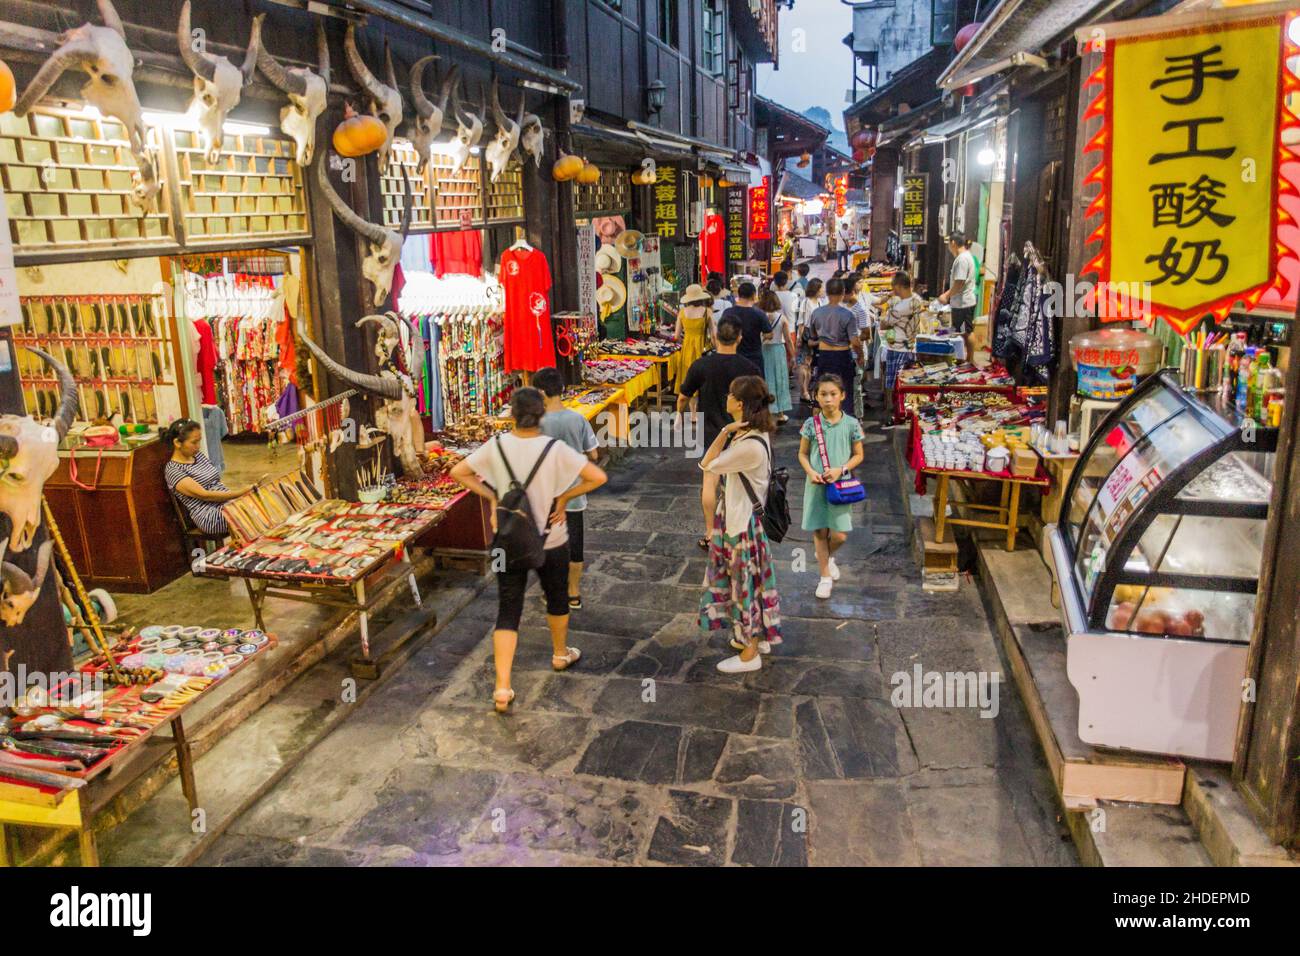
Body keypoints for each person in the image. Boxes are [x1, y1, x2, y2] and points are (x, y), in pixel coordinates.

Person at [450, 388, 608, 713]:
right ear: (541, 416)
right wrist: (564, 499)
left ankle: (502, 687)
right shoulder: (555, 449)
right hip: (551, 537)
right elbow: (597, 476)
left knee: (508, 608)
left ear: (512, 414)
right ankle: (560, 653)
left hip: (508, 540)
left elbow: (458, 472)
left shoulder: (495, 446)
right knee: (557, 597)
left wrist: (493, 497)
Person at [699, 375, 782, 673]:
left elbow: (707, 463)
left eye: (731, 394)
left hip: (742, 523)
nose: (726, 398)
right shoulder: (751, 436)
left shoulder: (748, 445)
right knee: (750, 585)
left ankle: (750, 653)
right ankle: (754, 638)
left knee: (744, 587)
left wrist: (723, 431)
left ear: (740, 403)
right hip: (741, 519)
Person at [677, 317, 761, 547]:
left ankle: (709, 533)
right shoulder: (749, 367)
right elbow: (760, 401)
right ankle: (740, 532)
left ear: (715, 337)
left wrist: (678, 415)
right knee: (742, 483)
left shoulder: (702, 365)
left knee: (710, 480)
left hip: (711, 431)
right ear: (739, 338)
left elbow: (684, 395)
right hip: (742, 432)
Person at [533, 367, 601, 610]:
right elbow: (593, 454)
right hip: (574, 495)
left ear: (540, 392)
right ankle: (573, 593)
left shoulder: (535, 423)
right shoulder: (578, 419)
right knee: (575, 546)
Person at [798, 374, 865, 600]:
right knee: (819, 529)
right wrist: (810, 472)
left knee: (839, 535)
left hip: (840, 484)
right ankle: (825, 576)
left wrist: (841, 469)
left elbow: (858, 455)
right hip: (815, 484)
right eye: (823, 394)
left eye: (833, 394)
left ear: (842, 396)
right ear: (816, 397)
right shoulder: (811, 424)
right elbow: (803, 454)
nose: (828, 399)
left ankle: (825, 555)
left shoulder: (851, 424)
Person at [163, 418, 253, 536]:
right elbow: (205, 495)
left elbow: (216, 481)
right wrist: (239, 493)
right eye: (194, 442)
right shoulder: (173, 470)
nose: (198, 446)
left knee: (258, 503)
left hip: (225, 503)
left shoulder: (198, 456)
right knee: (248, 512)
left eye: (199, 441)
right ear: (177, 443)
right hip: (209, 515)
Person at [874, 272, 926, 412]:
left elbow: (884, 325)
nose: (892, 290)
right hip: (911, 346)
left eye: (893, 286)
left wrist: (888, 307)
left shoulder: (899, 308)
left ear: (898, 286)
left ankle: (892, 411)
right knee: (908, 380)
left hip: (897, 347)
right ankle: (905, 410)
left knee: (892, 381)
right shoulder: (917, 299)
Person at [808, 277, 858, 403]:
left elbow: (813, 335)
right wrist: (861, 355)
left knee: (825, 391)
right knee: (844, 391)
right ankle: (844, 420)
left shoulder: (816, 313)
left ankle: (825, 419)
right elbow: (855, 341)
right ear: (843, 293)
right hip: (842, 356)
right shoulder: (848, 314)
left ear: (827, 293)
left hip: (824, 356)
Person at [939, 231, 977, 362]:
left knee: (966, 332)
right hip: (963, 301)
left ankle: (969, 359)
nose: (949, 247)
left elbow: (959, 282)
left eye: (949, 244)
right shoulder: (966, 256)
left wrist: (946, 295)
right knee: (965, 331)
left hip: (963, 302)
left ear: (953, 243)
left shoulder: (962, 259)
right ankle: (967, 358)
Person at [757, 285, 793, 423]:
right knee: (780, 380)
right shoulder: (782, 318)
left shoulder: (760, 317)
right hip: (778, 350)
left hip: (764, 350)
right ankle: (781, 413)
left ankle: (765, 412)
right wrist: (793, 356)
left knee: (766, 380)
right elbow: (788, 340)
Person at [722, 281, 772, 370]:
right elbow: (769, 334)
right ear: (753, 295)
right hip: (754, 357)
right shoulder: (759, 314)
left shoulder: (728, 312)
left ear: (738, 294)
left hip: (733, 355)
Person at [793, 276, 824, 404]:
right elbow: (801, 322)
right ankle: (803, 391)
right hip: (806, 335)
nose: (823, 290)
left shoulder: (820, 302)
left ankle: (807, 390)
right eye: (821, 288)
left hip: (816, 335)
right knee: (802, 365)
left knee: (810, 365)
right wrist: (799, 338)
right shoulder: (806, 302)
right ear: (816, 289)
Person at [674, 283, 715, 373]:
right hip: (703, 347)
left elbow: (676, 336)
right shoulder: (708, 312)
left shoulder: (682, 313)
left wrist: (686, 340)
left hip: (687, 348)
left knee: (687, 373)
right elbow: (714, 336)